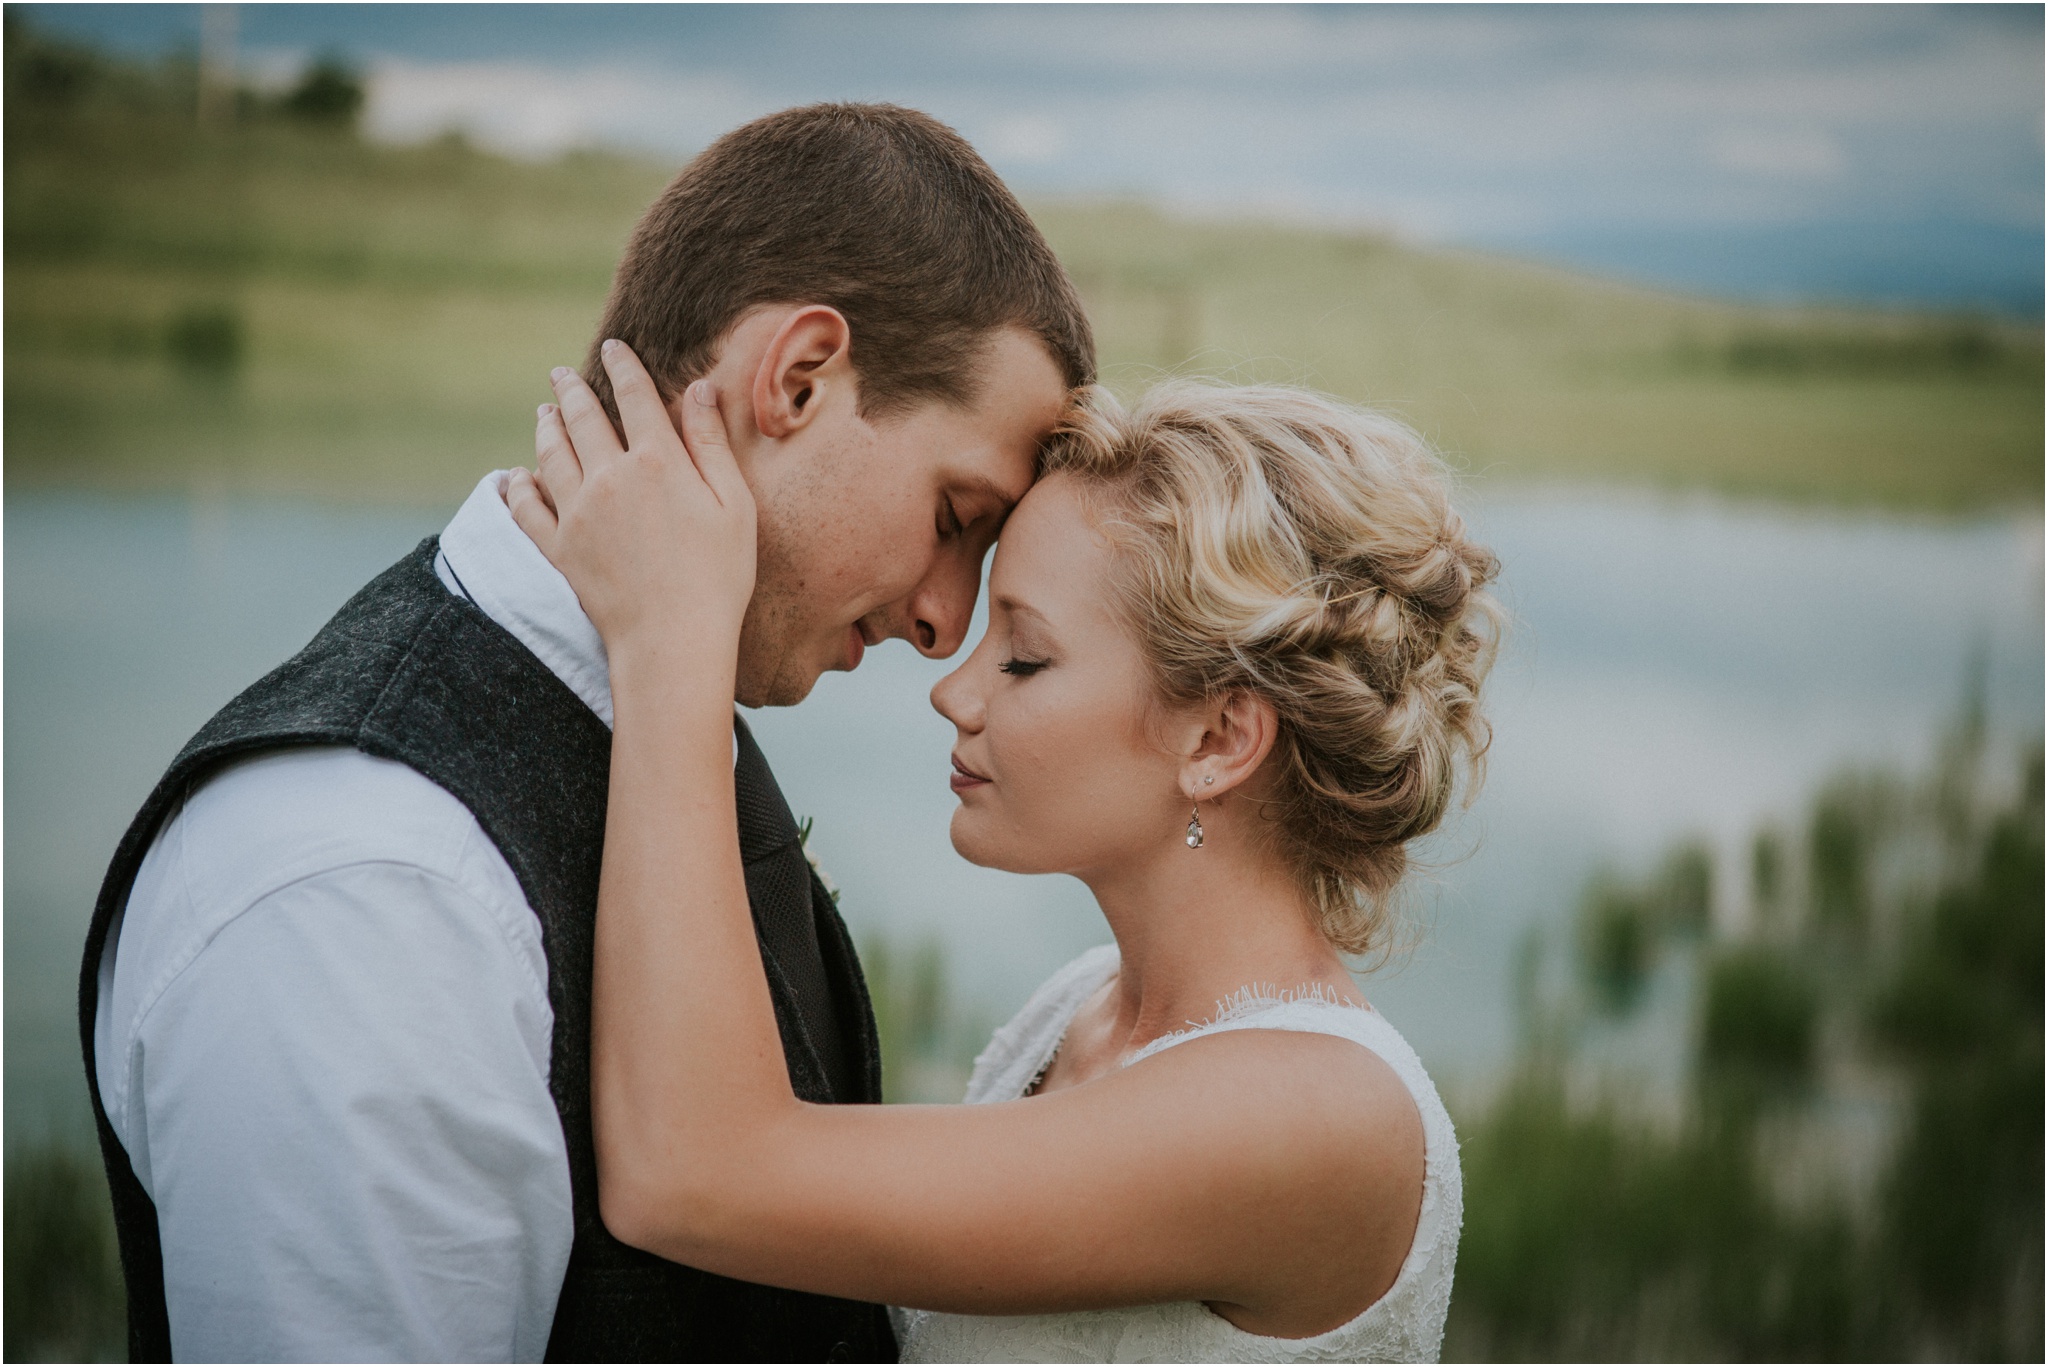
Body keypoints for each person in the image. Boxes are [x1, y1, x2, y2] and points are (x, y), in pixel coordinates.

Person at [79, 103, 1090, 1362]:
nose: (948, 623)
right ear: (798, 378)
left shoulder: (662, 710)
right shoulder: (369, 879)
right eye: (955, 514)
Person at [510, 341, 1502, 1362]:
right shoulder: (1072, 1009)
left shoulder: (1316, 1115)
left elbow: (695, 1171)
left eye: (1023, 655)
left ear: (1217, 739)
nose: (954, 689)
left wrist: (670, 637)